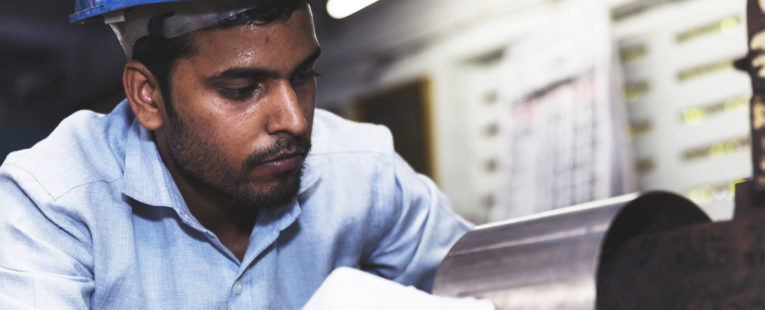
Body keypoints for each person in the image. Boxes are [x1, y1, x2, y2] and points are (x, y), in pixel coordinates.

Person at [0, 0, 471, 308]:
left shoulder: (364, 169)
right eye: (243, 89)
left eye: (305, 77)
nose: (295, 120)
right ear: (148, 95)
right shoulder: (52, 202)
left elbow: (497, 289)